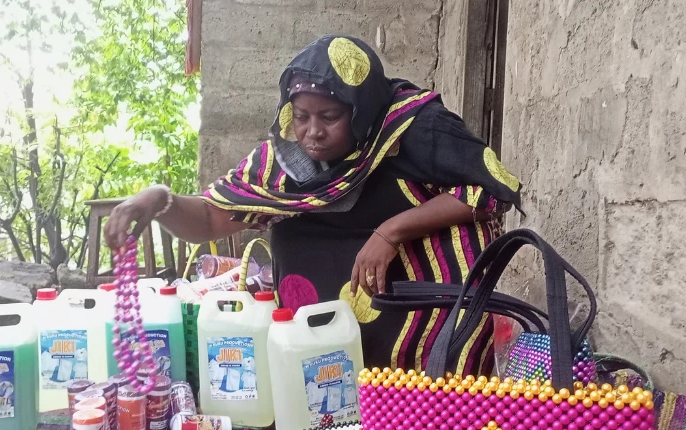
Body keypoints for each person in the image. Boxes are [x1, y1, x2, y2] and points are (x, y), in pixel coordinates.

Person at [104, 35, 522, 374]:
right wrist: (158, 200)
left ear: (362, 111)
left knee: (422, 409)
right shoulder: (282, 161)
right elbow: (213, 218)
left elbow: (490, 193)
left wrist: (392, 231)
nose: (312, 133)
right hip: (325, 341)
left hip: (424, 333)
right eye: (301, 116)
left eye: (329, 116)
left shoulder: (413, 128)